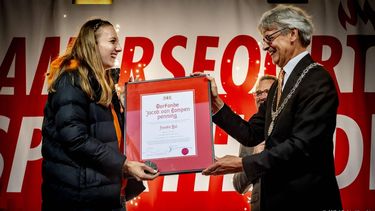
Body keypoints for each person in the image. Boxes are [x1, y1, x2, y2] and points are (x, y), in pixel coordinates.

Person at [202, 5, 342, 210]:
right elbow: (251, 134)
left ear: (293, 33)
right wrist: (216, 103)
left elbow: (301, 146)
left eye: (269, 37)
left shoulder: (317, 80)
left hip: (307, 201)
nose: (265, 47)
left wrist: (243, 163)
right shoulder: (278, 84)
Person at [42, 18, 159, 210]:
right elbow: (76, 139)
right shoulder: (71, 81)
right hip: (80, 201)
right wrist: (125, 165)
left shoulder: (103, 83)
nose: (119, 48)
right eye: (112, 41)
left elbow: (108, 137)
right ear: (92, 44)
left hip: (108, 195)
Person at [232, 75, 276, 211]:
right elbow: (239, 185)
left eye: (268, 92)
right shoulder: (249, 133)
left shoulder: (291, 125)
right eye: (258, 93)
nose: (262, 97)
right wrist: (253, 160)